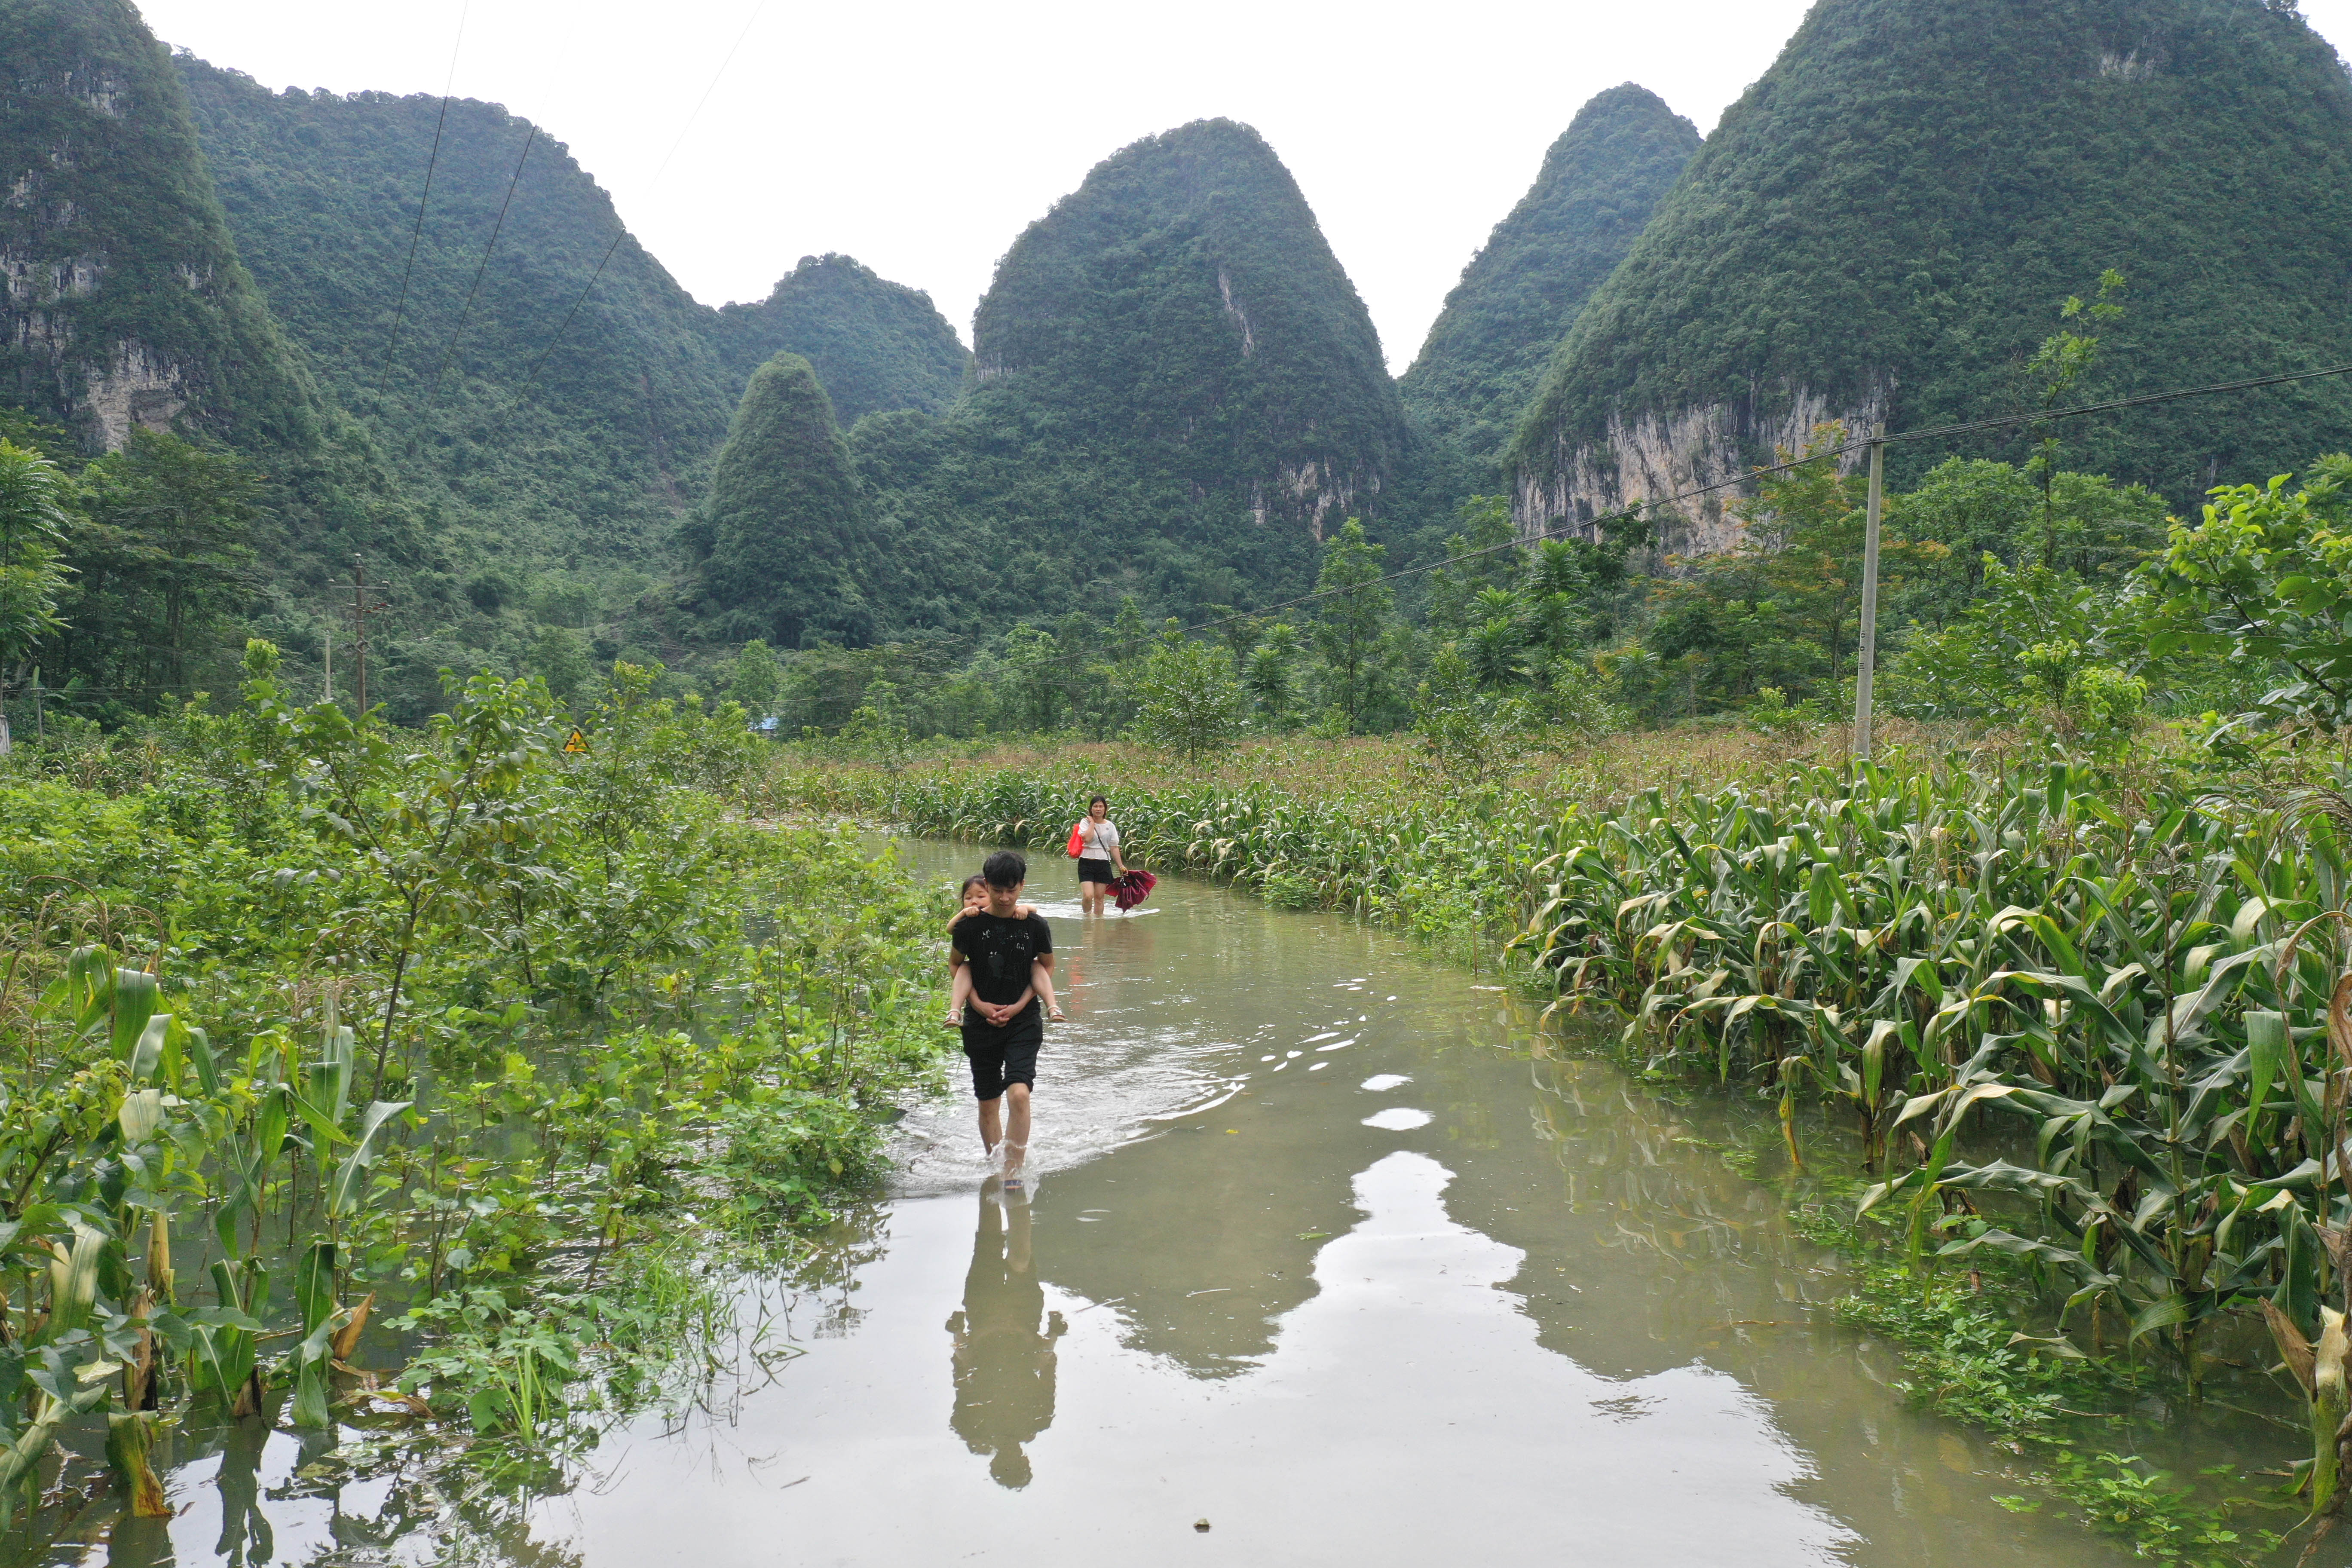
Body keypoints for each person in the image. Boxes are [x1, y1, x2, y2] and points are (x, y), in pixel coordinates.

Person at [951, 850, 1052, 1179]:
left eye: (1012, 890)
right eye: (997, 891)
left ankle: (1012, 1171)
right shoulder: (969, 925)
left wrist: (1022, 1004)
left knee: (1019, 1093)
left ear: (1022, 886)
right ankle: (996, 1167)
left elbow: (1046, 967)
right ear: (987, 885)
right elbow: (957, 965)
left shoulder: (1035, 925)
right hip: (980, 1023)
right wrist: (978, 1005)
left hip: (1023, 1021)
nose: (1005, 898)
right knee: (988, 1102)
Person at [947, 874, 1062, 1026]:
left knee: (1035, 965)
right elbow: (950, 930)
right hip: (979, 1016)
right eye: (968, 898)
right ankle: (954, 1012)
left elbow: (1033, 909)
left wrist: (1024, 909)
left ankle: (1053, 1008)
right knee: (965, 966)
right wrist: (963, 913)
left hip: (1024, 1017)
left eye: (981, 896)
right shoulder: (968, 923)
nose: (974, 902)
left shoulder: (1029, 920)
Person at [1072, 795, 1131, 916]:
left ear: (1105, 809)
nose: (1098, 809)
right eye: (1095, 806)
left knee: (1099, 899)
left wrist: (1121, 866)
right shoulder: (1085, 822)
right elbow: (1087, 839)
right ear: (1091, 809)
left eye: (1101, 807)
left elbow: (1114, 847)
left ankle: (1098, 925)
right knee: (1088, 896)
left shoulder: (1110, 826)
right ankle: (1087, 919)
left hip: (1103, 863)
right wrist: (1092, 823)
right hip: (1086, 863)